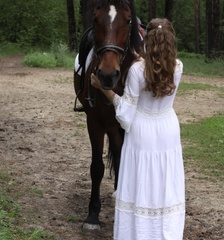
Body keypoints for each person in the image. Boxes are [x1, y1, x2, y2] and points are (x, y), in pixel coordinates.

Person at [91, 18, 185, 240]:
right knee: (163, 182)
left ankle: (139, 233)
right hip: (167, 129)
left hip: (143, 131)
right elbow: (156, 72)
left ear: (146, 40)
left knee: (141, 183)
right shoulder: (178, 67)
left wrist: (103, 89)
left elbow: (125, 114)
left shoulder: (135, 71)